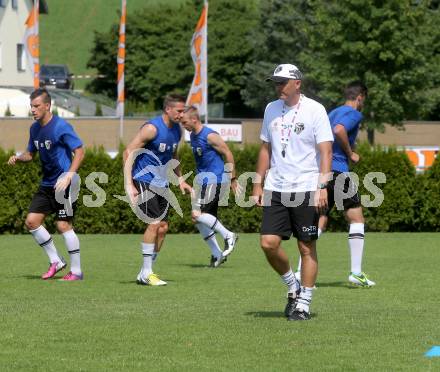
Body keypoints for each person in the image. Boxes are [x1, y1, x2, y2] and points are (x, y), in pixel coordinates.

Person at [252, 64, 333, 321]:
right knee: (268, 243)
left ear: (297, 83)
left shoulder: (315, 110)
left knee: (306, 247)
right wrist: (257, 184)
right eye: (275, 83)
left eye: (282, 82)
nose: (278, 87)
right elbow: (265, 149)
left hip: (307, 186)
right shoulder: (270, 109)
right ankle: (292, 286)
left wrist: (322, 186)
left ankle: (304, 303)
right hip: (276, 186)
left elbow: (326, 152)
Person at [296, 81, 375, 287]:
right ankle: (356, 273)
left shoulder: (331, 112)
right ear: (360, 97)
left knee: (319, 219)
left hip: (321, 171)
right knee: (356, 217)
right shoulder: (353, 113)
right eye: (363, 100)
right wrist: (350, 153)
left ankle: (298, 271)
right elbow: (339, 130)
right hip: (339, 170)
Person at [7, 88, 85, 281]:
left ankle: (76, 271)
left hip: (65, 183)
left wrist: (69, 175)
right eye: (31, 106)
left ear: (47, 106)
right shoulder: (34, 129)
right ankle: (56, 261)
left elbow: (80, 151)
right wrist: (18, 158)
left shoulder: (61, 126)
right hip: (47, 183)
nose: (33, 110)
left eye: (36, 106)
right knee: (32, 222)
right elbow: (30, 154)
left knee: (63, 224)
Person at [123, 93, 192, 286]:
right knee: (154, 224)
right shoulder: (151, 128)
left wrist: (180, 180)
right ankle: (147, 273)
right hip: (144, 179)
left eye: (183, 110)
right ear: (168, 109)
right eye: (179, 111)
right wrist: (129, 185)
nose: (182, 114)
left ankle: (145, 271)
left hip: (162, 183)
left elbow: (174, 155)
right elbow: (128, 151)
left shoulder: (177, 130)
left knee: (163, 229)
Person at [179, 106, 239, 268]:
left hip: (216, 179)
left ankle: (229, 236)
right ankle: (216, 254)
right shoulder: (192, 136)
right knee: (197, 220)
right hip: (203, 182)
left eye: (184, 122)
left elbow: (228, 153)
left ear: (194, 119)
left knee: (197, 214)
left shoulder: (210, 135)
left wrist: (233, 178)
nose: (183, 125)